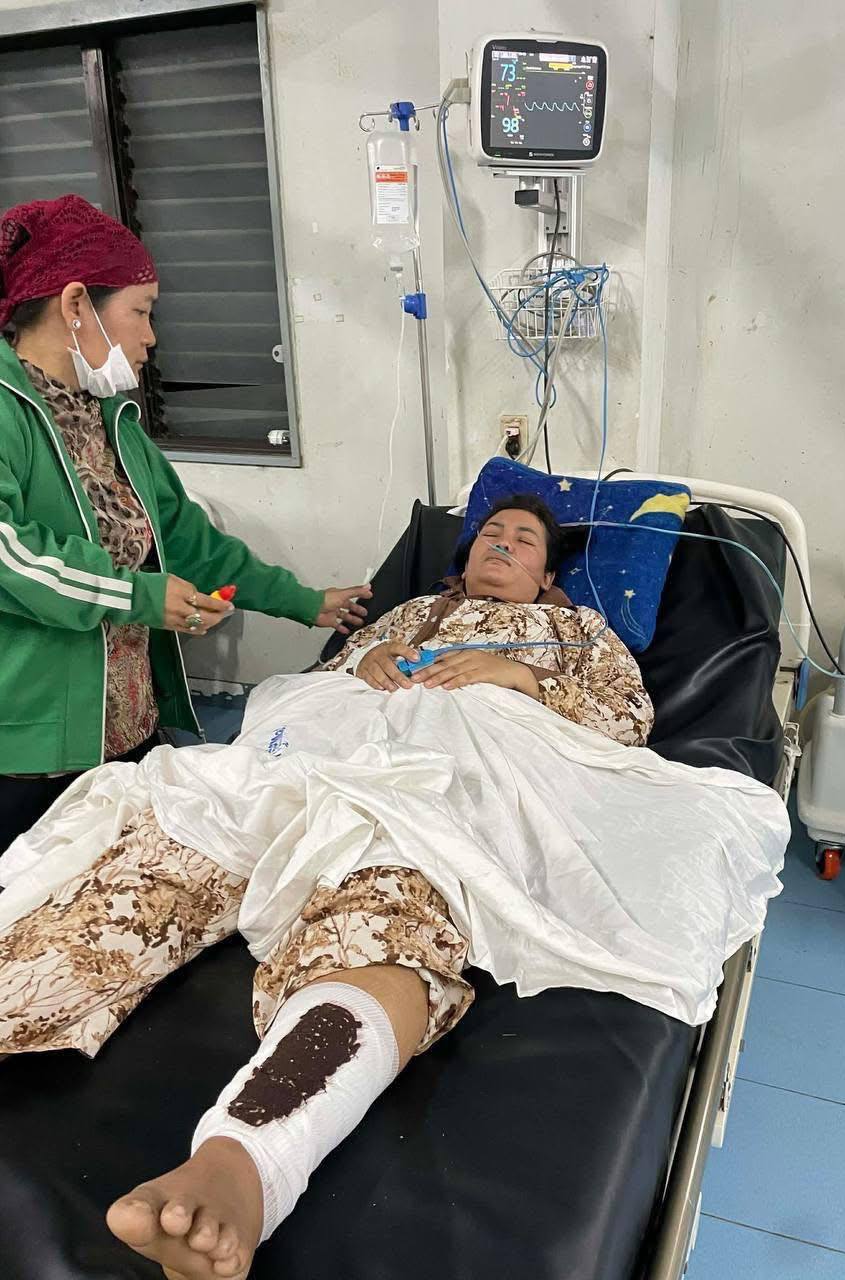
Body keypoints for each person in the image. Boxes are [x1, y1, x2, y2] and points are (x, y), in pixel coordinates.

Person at [0, 493, 663, 1280]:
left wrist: (514, 675)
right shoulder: (408, 615)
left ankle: (247, 1161)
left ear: (546, 577)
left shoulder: (577, 630)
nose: (502, 544)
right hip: (315, 761)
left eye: (523, 541)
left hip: (440, 781)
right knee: (158, 861)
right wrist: (359, 664)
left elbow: (626, 720)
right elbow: (311, 689)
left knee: (389, 907)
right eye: (491, 532)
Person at [0, 194, 370, 852]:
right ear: (76, 304)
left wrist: (304, 601)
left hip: (126, 724)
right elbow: (12, 556)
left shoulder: (108, 418)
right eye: (140, 312)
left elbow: (184, 539)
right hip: (31, 745)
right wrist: (138, 596)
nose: (151, 337)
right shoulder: (8, 414)